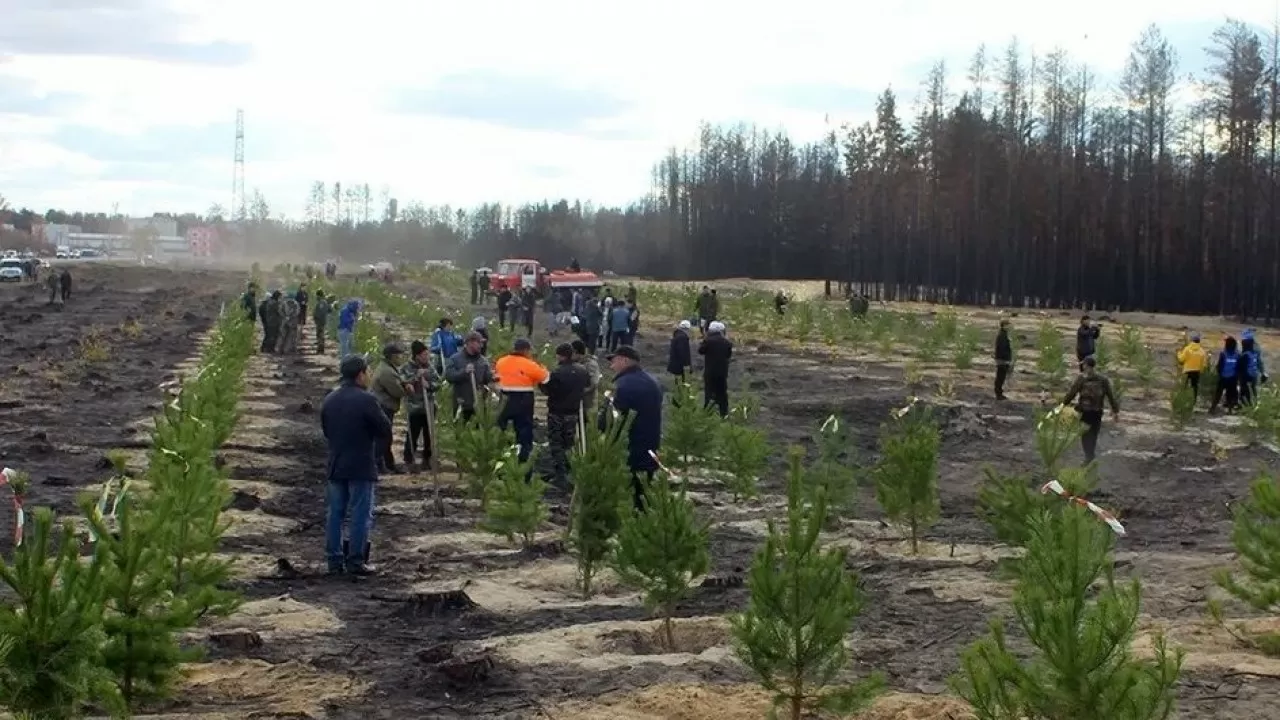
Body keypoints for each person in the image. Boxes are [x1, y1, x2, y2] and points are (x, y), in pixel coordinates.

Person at [321, 354, 392, 576]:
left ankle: (334, 561)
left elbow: (326, 431)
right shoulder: (367, 400)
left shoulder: (330, 399)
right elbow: (384, 429)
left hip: (336, 463)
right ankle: (355, 560)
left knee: (335, 514)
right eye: (367, 372)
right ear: (360, 374)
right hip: (361, 464)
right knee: (360, 514)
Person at [603, 346, 663, 510]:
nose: (611, 366)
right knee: (644, 493)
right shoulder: (653, 382)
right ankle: (643, 524)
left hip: (626, 448)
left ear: (624, 360)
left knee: (624, 494)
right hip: (650, 445)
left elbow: (608, 418)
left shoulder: (621, 385)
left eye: (614, 361)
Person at [540, 342, 591, 489]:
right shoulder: (582, 371)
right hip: (574, 413)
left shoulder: (557, 373)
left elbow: (548, 391)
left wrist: (541, 383)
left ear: (560, 355)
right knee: (570, 444)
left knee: (557, 444)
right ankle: (570, 472)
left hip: (557, 413)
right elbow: (587, 386)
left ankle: (560, 475)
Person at [494, 338, 550, 463]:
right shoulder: (529, 364)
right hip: (524, 400)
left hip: (505, 399)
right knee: (524, 431)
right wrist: (542, 368)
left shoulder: (501, 361)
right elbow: (545, 379)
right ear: (525, 350)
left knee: (501, 427)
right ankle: (523, 459)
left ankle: (500, 455)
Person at [1060, 356, 1120, 464]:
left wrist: (1063, 405)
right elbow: (1110, 396)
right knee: (1093, 434)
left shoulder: (1082, 379)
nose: (1083, 366)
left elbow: (1072, 393)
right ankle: (1090, 455)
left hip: (1085, 411)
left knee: (1085, 434)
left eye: (1084, 364)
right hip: (1097, 411)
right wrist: (1115, 411)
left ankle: (1089, 456)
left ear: (1086, 365)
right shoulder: (1103, 380)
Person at [399, 340, 441, 471]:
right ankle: (409, 458)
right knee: (413, 433)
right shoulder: (406, 367)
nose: (426, 357)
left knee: (429, 434)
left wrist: (429, 386)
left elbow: (438, 382)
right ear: (417, 355)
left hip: (429, 405)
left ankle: (427, 459)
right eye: (424, 355)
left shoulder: (430, 367)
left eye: (427, 355)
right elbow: (402, 381)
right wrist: (415, 378)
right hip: (415, 406)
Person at [370, 344, 410, 474]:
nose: (401, 357)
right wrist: (407, 389)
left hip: (383, 406)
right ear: (392, 356)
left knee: (385, 436)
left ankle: (387, 464)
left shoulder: (388, 368)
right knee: (383, 437)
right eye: (399, 355)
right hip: (384, 407)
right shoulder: (387, 371)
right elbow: (397, 391)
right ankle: (378, 465)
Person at [444, 331, 495, 421]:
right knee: (461, 431)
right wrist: (464, 372)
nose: (481, 346)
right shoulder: (455, 359)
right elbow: (449, 376)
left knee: (478, 432)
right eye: (479, 342)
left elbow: (487, 379)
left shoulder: (483, 361)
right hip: (462, 404)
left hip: (479, 405)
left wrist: (492, 377)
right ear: (470, 343)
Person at [699, 321, 733, 417]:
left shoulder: (708, 341)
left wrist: (705, 339)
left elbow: (700, 351)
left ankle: (707, 413)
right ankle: (724, 413)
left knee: (709, 392)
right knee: (722, 393)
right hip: (722, 372)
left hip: (710, 372)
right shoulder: (727, 342)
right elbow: (728, 355)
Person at [1211, 336, 1242, 414]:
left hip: (1223, 377)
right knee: (1230, 394)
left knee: (1218, 393)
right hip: (1233, 378)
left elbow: (1219, 365)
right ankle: (1230, 410)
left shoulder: (1223, 353)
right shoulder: (1238, 354)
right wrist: (1237, 377)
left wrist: (1219, 374)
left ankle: (1212, 408)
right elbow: (1238, 367)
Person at [572, 339, 602, 417]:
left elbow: (593, 384)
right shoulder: (577, 363)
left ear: (575, 352)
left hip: (588, 404)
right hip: (578, 403)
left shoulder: (590, 365)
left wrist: (578, 392)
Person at [1176, 332, 1209, 399]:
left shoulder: (1187, 349)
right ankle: (1194, 400)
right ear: (1199, 342)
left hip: (1187, 371)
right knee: (1194, 387)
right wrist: (1201, 371)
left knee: (1184, 386)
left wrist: (1178, 353)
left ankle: (1182, 398)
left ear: (1192, 341)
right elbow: (1204, 364)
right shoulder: (1202, 351)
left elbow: (1181, 360)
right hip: (1196, 372)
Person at [1239, 330, 1267, 406]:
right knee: (1252, 388)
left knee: (1245, 387)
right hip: (1254, 372)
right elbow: (1259, 361)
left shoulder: (1249, 346)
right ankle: (1252, 403)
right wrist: (1262, 372)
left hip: (1247, 372)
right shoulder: (1255, 346)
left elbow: (1258, 361)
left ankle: (1245, 404)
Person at [994, 319, 1013, 400]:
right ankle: (998, 393)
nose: (1009, 326)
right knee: (1000, 377)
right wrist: (1006, 359)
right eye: (1008, 325)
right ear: (1004, 325)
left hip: (1002, 359)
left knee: (1001, 376)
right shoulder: (1002, 335)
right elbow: (1002, 348)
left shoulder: (1003, 334)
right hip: (1002, 360)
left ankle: (999, 392)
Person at [313, 290, 332, 354]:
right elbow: (330, 310)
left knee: (320, 335)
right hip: (323, 320)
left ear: (318, 295)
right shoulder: (325, 302)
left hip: (320, 321)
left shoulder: (321, 303)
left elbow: (319, 313)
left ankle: (320, 349)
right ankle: (321, 349)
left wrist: (316, 318)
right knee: (321, 334)